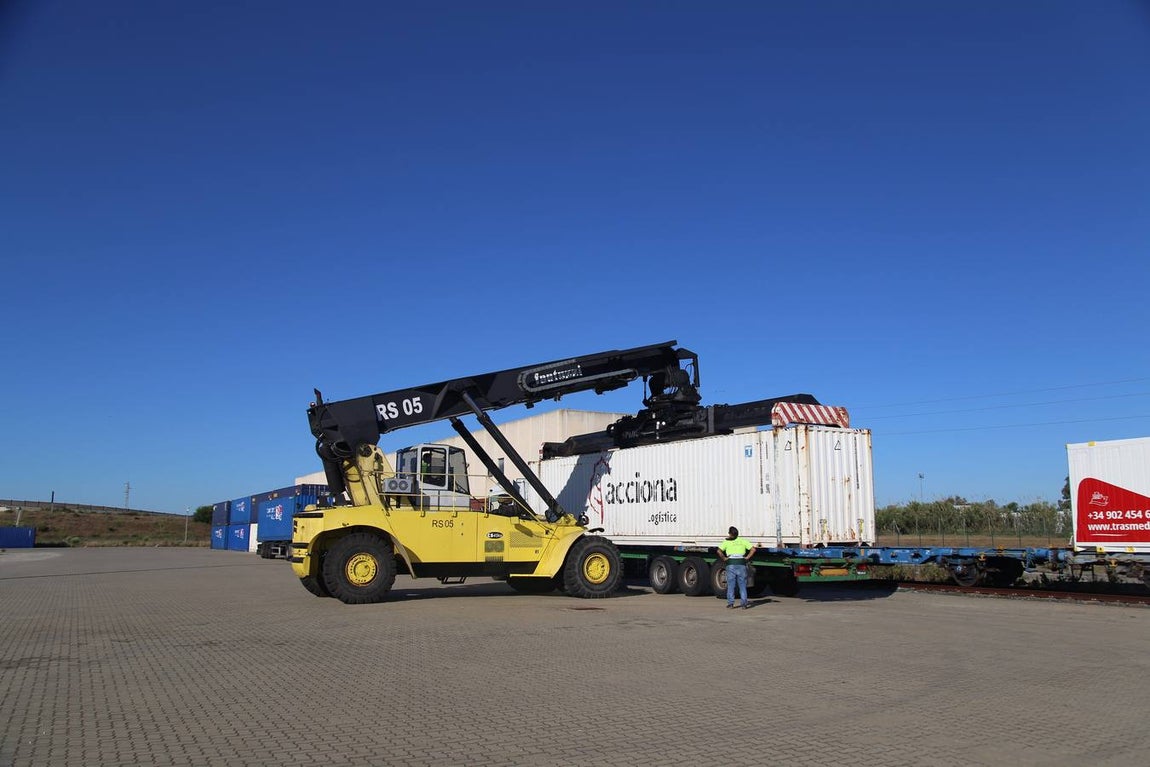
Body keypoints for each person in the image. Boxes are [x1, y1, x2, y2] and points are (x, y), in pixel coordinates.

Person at [716, 526, 757, 609]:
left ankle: (731, 603)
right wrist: (747, 558)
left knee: (731, 585)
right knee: (742, 585)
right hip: (741, 563)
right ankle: (744, 604)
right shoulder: (743, 541)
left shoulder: (726, 542)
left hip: (731, 563)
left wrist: (724, 558)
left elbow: (718, 551)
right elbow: (753, 549)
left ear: (730, 534)